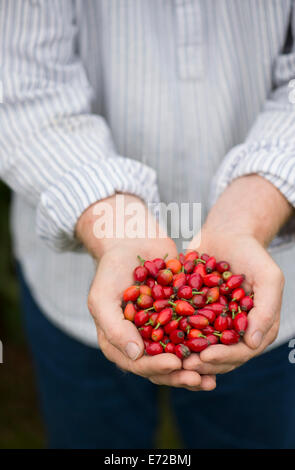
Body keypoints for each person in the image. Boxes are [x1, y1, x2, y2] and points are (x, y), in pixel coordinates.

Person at [1, 0, 295, 449]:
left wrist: (251, 212)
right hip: (75, 293)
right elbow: (17, 83)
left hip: (274, 296)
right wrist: (115, 227)